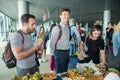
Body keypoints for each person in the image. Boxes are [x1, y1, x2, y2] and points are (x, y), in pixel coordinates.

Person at [50, 8, 70, 73]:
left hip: (67, 52)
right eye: (64, 14)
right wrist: (53, 55)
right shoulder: (57, 28)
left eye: (67, 14)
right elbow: (52, 43)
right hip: (59, 53)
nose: (66, 16)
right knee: (59, 72)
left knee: (65, 71)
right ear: (60, 16)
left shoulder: (67, 28)